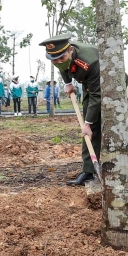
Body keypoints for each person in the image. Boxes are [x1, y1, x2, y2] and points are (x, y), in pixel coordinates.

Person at [40, 34, 101, 186]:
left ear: (71, 50)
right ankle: (88, 172)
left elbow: (96, 95)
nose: (58, 62)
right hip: (89, 85)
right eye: (54, 59)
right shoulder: (61, 55)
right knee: (90, 127)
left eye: (62, 58)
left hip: (109, 83)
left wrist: (87, 123)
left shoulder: (90, 61)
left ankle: (114, 163)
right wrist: (68, 83)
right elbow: (62, 65)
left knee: (98, 122)